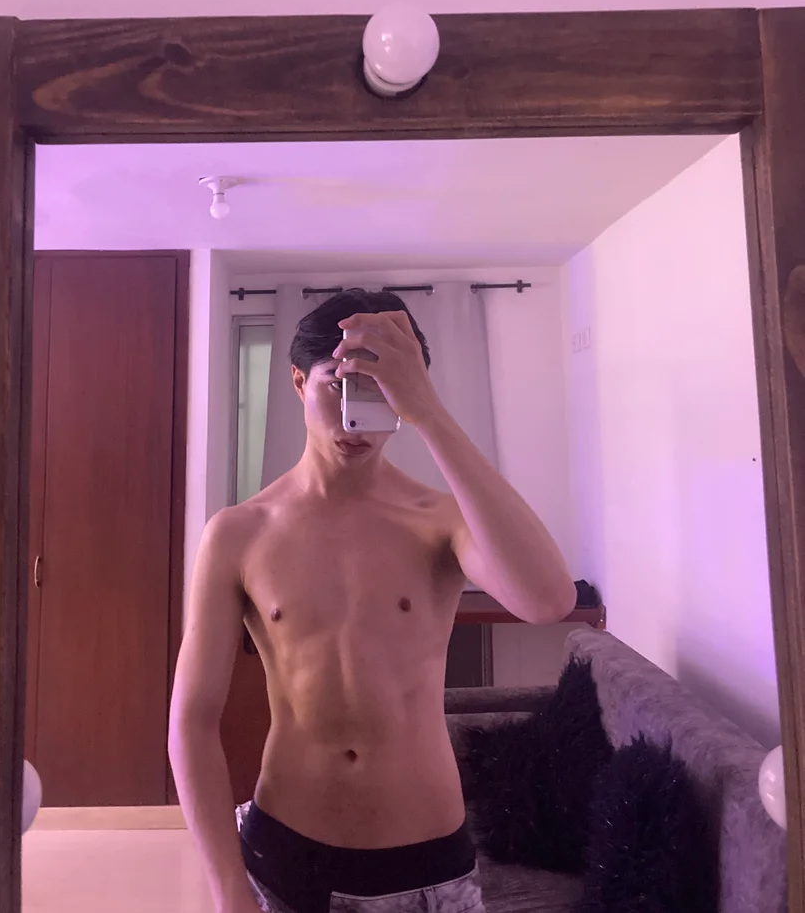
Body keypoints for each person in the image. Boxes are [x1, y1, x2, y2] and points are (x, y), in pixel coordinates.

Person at [169, 289, 576, 913]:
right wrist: (228, 890)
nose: (353, 415)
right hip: (285, 856)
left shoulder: (438, 520)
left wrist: (428, 413)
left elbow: (547, 600)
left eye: (379, 391)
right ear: (299, 382)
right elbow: (192, 719)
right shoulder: (238, 533)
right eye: (338, 386)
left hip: (428, 866)